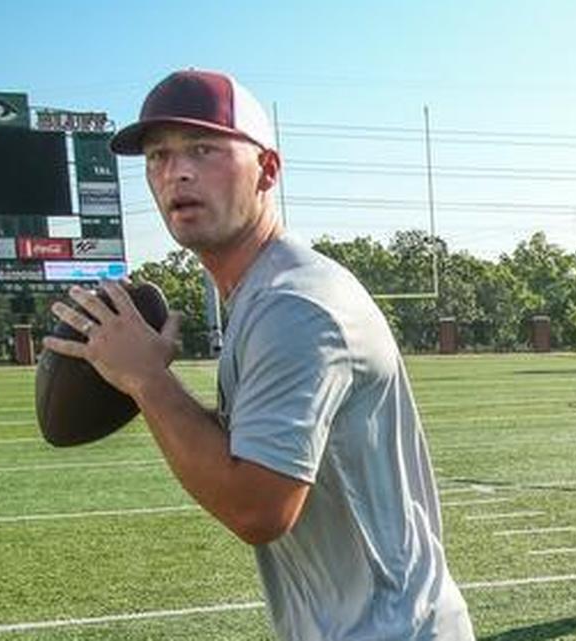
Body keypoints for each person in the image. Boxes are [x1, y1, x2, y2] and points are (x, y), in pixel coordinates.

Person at [44, 69, 474, 640]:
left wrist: (147, 380)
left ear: (267, 170)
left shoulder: (295, 306)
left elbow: (258, 509)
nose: (178, 171)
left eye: (204, 148)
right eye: (158, 156)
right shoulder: (261, 295)